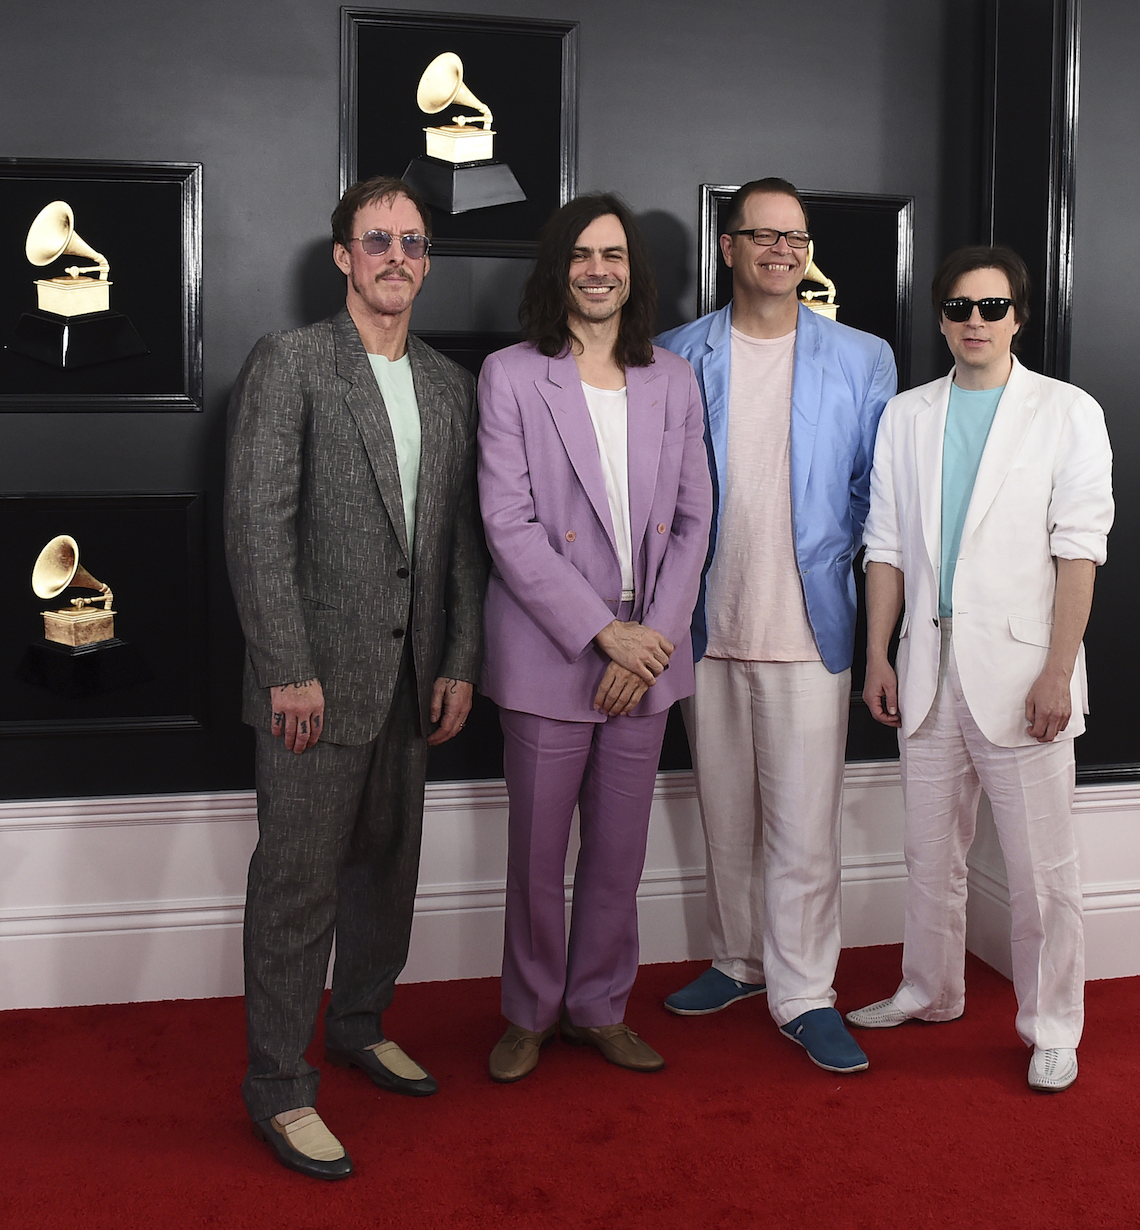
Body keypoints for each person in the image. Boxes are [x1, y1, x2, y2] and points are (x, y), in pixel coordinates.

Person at [223, 175, 486, 1178]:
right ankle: (279, 1087)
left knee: (387, 869)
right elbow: (256, 529)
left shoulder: (449, 386)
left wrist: (459, 659)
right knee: (295, 888)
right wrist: (285, 667)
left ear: (427, 260)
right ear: (343, 256)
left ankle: (360, 1022)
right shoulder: (289, 365)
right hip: (313, 690)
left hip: (413, 682)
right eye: (376, 240)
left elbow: (459, 543)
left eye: (412, 243)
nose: (395, 257)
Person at [849, 245, 1113, 1094]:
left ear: (1019, 318)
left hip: (1026, 675)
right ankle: (930, 991)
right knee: (930, 855)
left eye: (992, 308)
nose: (975, 322)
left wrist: (1056, 672)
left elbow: (1080, 554)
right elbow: (883, 546)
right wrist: (877, 655)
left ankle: (1053, 1025)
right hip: (926, 670)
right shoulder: (907, 415)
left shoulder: (1068, 412)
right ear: (940, 317)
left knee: (1043, 873)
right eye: (960, 308)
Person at [656, 178, 896, 1074]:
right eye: (763, 235)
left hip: (814, 628)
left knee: (804, 826)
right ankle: (739, 960)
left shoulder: (863, 358)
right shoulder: (676, 355)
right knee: (724, 815)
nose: (782, 251)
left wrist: (878, 637)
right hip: (705, 625)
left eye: (796, 238)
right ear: (729, 248)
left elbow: (878, 503)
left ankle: (806, 993)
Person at [476, 195, 712, 1083]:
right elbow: (508, 524)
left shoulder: (673, 380)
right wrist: (603, 634)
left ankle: (599, 1008)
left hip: (647, 654)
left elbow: (696, 519)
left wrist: (649, 638)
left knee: (619, 853)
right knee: (537, 858)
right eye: (581, 254)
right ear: (559, 269)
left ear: (633, 272)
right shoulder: (511, 375)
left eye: (613, 254)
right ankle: (530, 1014)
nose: (598, 269)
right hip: (554, 652)